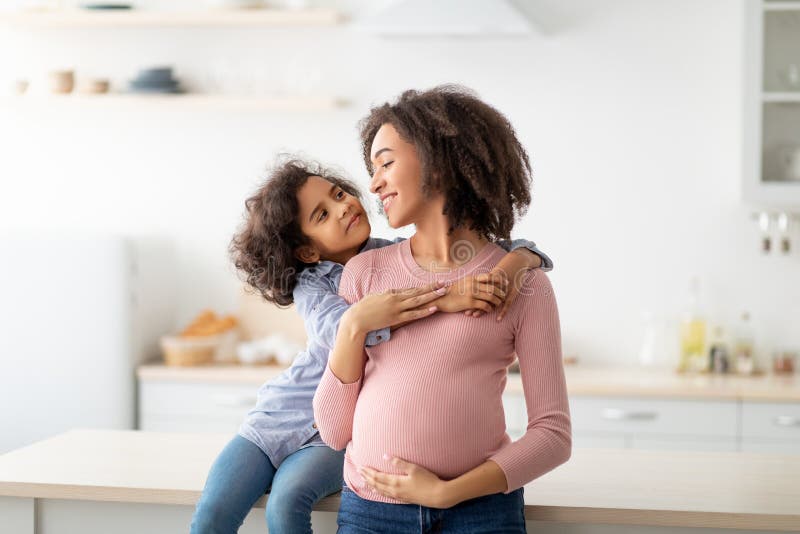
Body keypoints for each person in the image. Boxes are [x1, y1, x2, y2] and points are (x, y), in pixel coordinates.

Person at [190, 157, 554, 534]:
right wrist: (443, 299)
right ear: (307, 252)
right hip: (279, 417)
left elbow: (502, 248)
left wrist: (518, 262)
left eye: (339, 193)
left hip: (336, 434)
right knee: (210, 517)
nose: (343, 205)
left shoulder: (395, 256)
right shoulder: (312, 285)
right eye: (322, 214)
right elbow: (347, 331)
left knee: (284, 507)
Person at [313, 86, 572, 533]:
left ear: (440, 159)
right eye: (372, 168)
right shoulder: (364, 274)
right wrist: (353, 325)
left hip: (480, 514)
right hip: (372, 513)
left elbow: (553, 436)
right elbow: (334, 431)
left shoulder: (523, 284)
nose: (373, 184)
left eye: (387, 163)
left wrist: (447, 492)